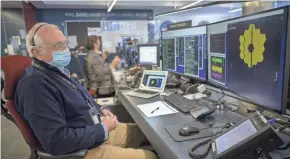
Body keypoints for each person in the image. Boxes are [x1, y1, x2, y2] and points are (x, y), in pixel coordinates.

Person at [15, 23, 157, 159]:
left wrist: (101, 109)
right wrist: (103, 128)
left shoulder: (57, 72)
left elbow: (83, 97)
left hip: (92, 131)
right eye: (59, 46)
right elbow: (57, 141)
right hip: (84, 150)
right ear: (36, 52)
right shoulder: (35, 85)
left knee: (147, 133)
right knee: (152, 156)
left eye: (65, 43)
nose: (66, 49)